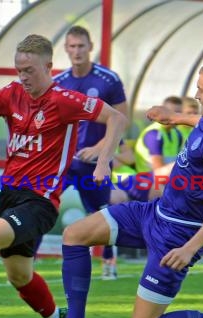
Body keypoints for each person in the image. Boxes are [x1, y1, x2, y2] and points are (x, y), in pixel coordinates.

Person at [30, 59, 203, 318]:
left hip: (178, 236)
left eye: (201, 89)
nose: (196, 94)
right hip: (155, 212)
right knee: (76, 234)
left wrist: (188, 249)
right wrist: (175, 117)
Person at [0, 34, 126, 318]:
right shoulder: (11, 94)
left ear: (48, 66)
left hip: (41, 201)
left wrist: (103, 159)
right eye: (19, 70)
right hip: (10, 195)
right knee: (19, 276)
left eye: (29, 70)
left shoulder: (64, 100)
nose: (23, 77)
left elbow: (116, 118)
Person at [53, 26, 128, 280]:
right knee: (41, 202)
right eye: (72, 46)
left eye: (81, 46)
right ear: (65, 49)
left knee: (102, 213)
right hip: (65, 163)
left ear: (90, 47)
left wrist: (99, 150)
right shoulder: (59, 82)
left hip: (96, 164)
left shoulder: (109, 80)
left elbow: (121, 120)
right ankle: (25, 258)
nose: (76, 51)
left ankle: (108, 261)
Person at [134, 96, 184, 173]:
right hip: (149, 180)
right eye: (173, 112)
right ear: (163, 113)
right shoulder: (153, 134)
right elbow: (158, 171)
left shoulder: (177, 134)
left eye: (179, 113)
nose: (177, 116)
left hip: (169, 178)